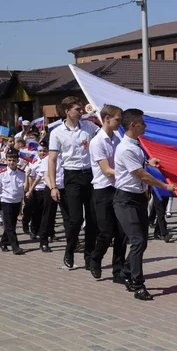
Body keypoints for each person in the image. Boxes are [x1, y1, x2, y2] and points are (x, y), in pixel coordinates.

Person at [114, 108, 177, 300]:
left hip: (137, 198)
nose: (145, 125)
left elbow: (139, 167)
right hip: (126, 200)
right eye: (142, 122)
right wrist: (165, 186)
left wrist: (148, 162)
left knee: (142, 242)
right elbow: (140, 175)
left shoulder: (135, 145)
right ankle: (137, 284)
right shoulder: (126, 148)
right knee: (137, 241)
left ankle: (126, 272)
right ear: (133, 125)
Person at [48, 96, 99, 269]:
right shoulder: (56, 133)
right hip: (72, 177)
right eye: (77, 109)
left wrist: (100, 115)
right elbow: (53, 160)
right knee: (76, 219)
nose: (81, 111)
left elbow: (104, 135)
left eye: (81, 108)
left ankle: (89, 256)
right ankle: (69, 250)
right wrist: (53, 186)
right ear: (67, 111)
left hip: (90, 175)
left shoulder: (89, 126)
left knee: (92, 219)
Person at [88, 105, 128, 282]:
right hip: (103, 190)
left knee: (121, 232)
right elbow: (106, 170)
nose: (120, 123)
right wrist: (131, 172)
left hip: (118, 188)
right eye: (117, 119)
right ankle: (95, 259)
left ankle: (118, 271)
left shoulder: (117, 138)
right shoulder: (97, 142)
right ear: (106, 119)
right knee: (106, 232)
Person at [0, 150, 26, 255]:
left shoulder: (22, 173)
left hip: (16, 202)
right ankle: (15, 247)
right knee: (9, 226)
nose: (11, 163)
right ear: (6, 160)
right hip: (6, 202)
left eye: (14, 160)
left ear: (17, 161)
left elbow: (21, 194)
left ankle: (3, 242)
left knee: (11, 225)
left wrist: (20, 211)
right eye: (9, 160)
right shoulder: (2, 173)